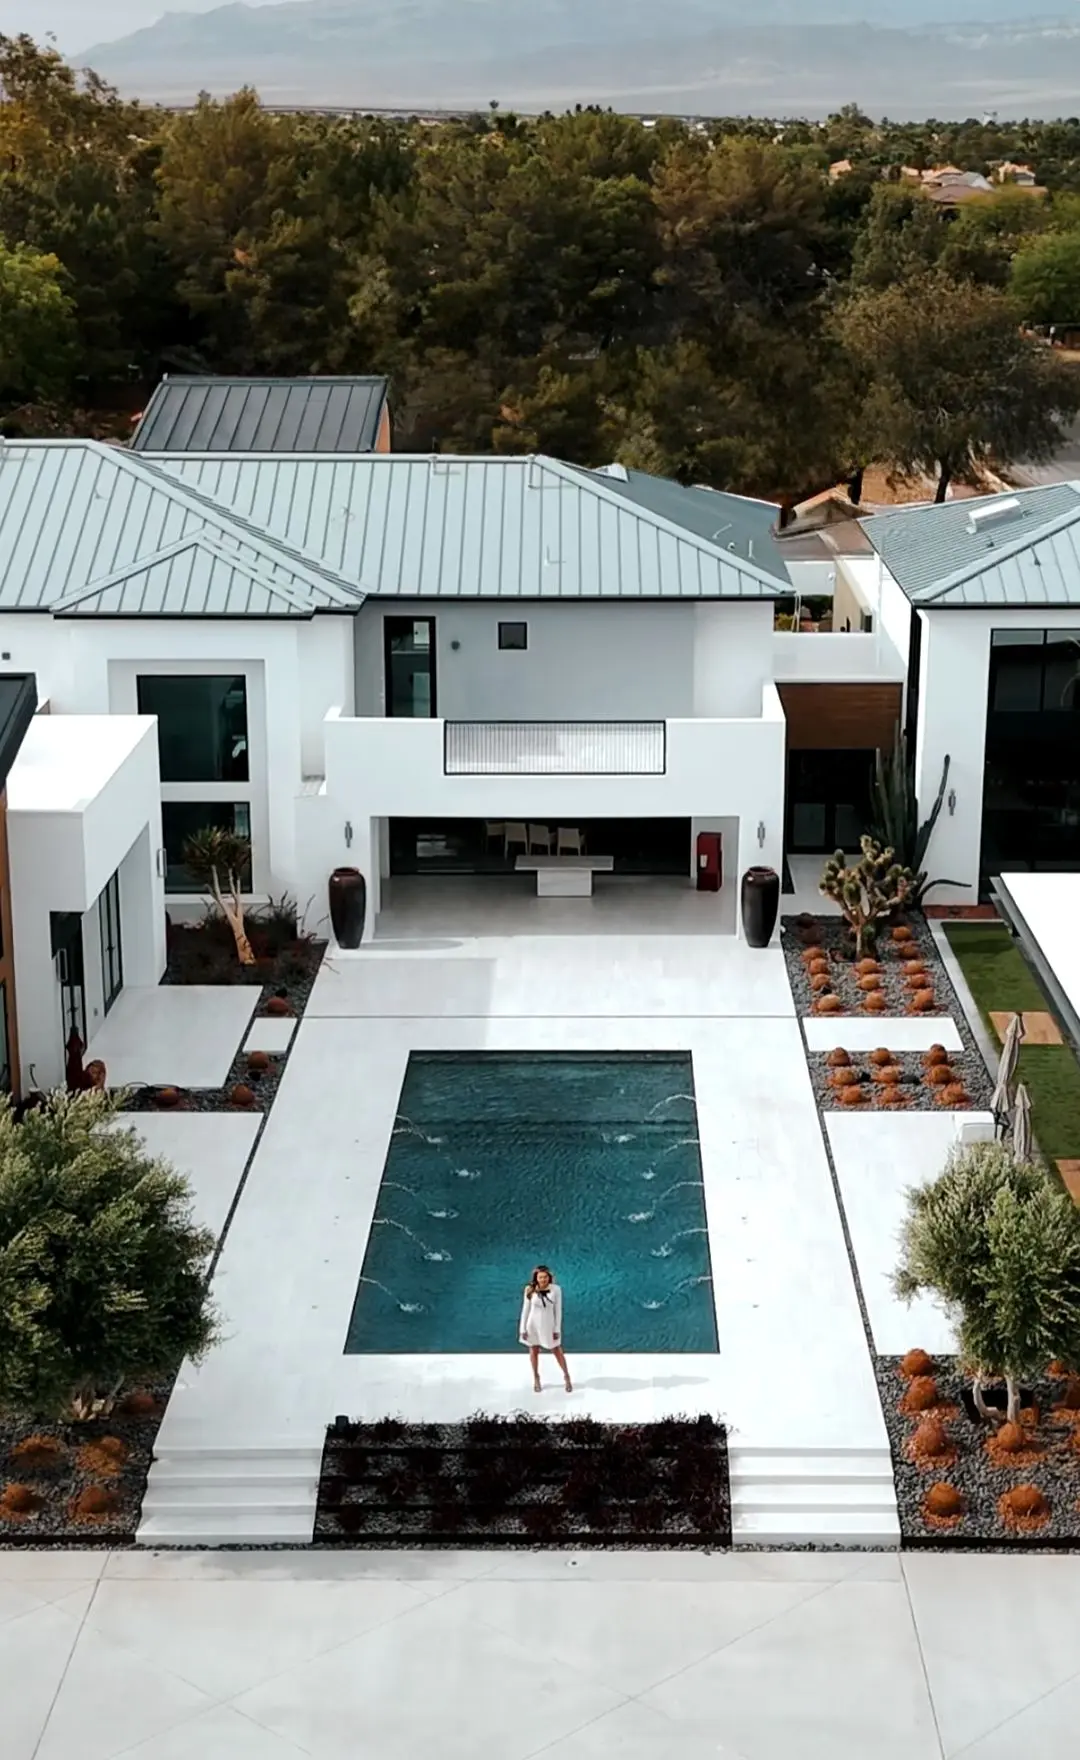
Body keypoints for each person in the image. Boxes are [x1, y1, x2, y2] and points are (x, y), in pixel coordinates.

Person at [519, 1264, 572, 1394]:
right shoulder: (529, 1289)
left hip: (548, 1324)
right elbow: (525, 1310)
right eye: (540, 1277)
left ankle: (566, 1376)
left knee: (556, 1350)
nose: (543, 1280)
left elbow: (558, 1310)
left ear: (549, 1277)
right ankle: (536, 1377)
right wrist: (522, 1329)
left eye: (545, 1277)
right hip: (532, 1324)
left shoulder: (556, 1290)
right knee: (533, 1350)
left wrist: (557, 1329)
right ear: (536, 1278)